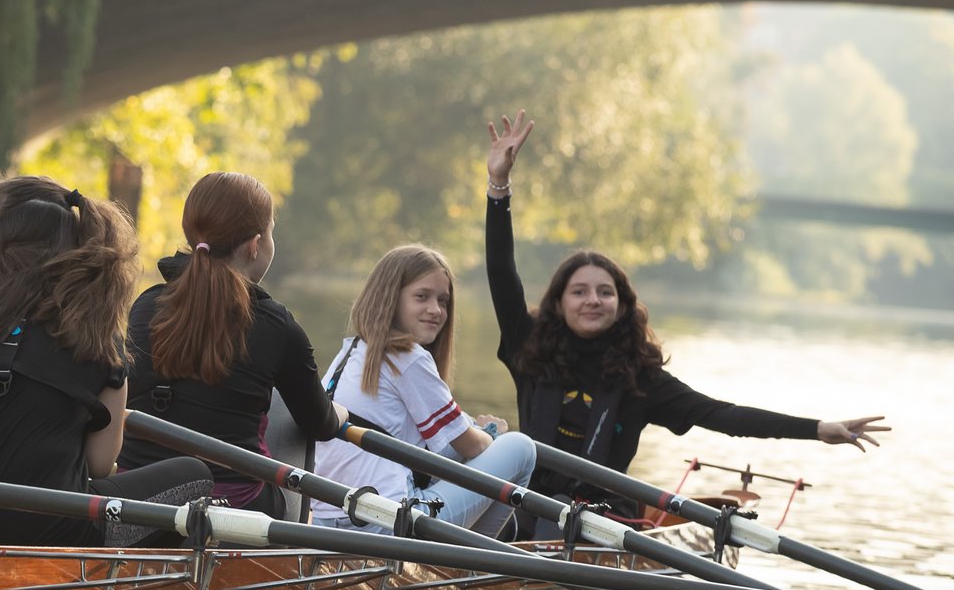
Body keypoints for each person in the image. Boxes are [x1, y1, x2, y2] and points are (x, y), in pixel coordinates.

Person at [483, 110, 891, 538]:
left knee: (557, 521)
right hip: (526, 505)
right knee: (513, 515)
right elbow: (500, 270)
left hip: (601, 521)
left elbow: (725, 416)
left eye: (605, 292)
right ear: (559, 302)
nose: (592, 300)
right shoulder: (530, 347)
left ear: (622, 307)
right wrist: (499, 187)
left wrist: (817, 429)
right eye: (579, 291)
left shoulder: (641, 379)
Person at [0, 177, 212, 548]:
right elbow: (100, 465)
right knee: (196, 476)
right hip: (44, 530)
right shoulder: (99, 338)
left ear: (11, 241)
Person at [118, 172, 349, 518]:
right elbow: (319, 422)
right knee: (283, 410)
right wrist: (340, 413)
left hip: (140, 502)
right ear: (255, 245)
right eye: (271, 233)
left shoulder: (145, 305)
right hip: (233, 510)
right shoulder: (277, 325)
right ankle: (296, 549)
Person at [310, 245, 536, 537]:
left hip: (330, 520)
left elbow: (446, 438)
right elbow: (469, 446)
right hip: (391, 522)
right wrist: (492, 433)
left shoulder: (351, 352)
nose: (436, 310)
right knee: (521, 448)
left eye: (443, 301)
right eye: (422, 297)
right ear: (390, 298)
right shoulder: (408, 357)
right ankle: (468, 571)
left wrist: (469, 427)